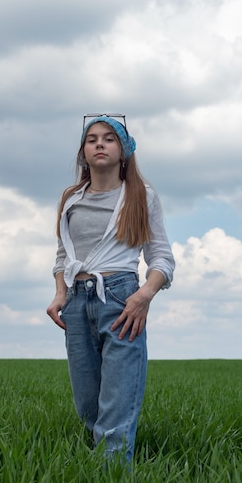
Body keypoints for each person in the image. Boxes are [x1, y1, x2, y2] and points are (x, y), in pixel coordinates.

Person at [46, 113, 175, 464]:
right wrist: (60, 293)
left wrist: (143, 295)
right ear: (83, 152)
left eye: (109, 138)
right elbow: (63, 255)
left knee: (117, 406)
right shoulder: (71, 198)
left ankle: (114, 477)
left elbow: (162, 257)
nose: (99, 143)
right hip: (77, 300)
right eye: (91, 139)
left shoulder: (140, 195)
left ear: (124, 150)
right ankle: (92, 473)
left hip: (121, 298)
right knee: (89, 406)